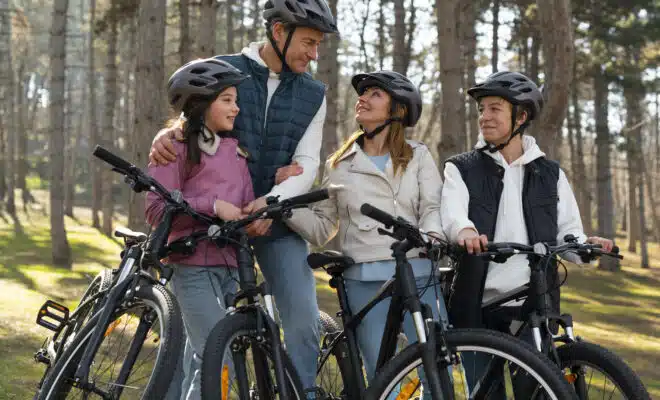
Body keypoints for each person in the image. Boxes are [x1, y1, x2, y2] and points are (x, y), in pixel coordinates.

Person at [148, 0, 340, 395]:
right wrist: (162, 137)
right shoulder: (224, 68)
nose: (314, 53)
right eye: (308, 41)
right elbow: (187, 122)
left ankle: (299, 393)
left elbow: (305, 162)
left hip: (276, 223)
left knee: (303, 321)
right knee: (204, 342)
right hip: (210, 228)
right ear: (279, 32)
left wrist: (271, 201)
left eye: (318, 44)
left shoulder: (314, 94)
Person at [440, 71, 613, 396]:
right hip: (477, 306)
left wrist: (586, 245)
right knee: (484, 394)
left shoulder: (550, 174)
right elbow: (453, 214)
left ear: (521, 117)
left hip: (533, 305)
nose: (484, 117)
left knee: (535, 392)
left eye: (494, 109)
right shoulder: (461, 168)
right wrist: (464, 231)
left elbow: (569, 235)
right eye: (481, 110)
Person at [284, 71, 449, 392]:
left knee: (436, 363)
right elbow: (321, 227)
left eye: (375, 94)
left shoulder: (418, 156)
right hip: (364, 280)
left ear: (397, 110)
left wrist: (433, 235)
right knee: (381, 374)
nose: (363, 98)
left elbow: (432, 206)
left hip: (417, 273)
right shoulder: (340, 163)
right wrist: (285, 203)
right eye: (363, 93)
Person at [145, 58, 253, 399]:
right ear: (201, 102)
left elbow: (244, 210)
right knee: (219, 356)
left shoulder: (237, 154)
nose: (236, 108)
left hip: (233, 269)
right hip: (190, 268)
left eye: (236, 100)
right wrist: (212, 207)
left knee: (203, 356)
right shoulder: (173, 148)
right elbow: (155, 210)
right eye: (227, 100)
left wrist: (261, 211)